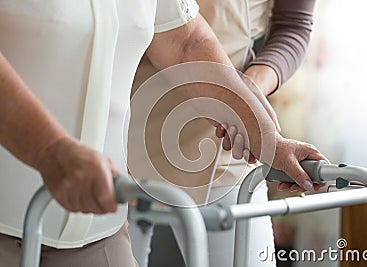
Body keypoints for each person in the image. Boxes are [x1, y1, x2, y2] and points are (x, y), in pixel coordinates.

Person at [0, 1, 324, 267]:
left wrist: (267, 135)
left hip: (100, 225)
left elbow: (186, 43)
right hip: (11, 215)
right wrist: (50, 150)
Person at [127, 0, 325, 266]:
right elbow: (182, 40)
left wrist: (245, 94)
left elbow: (293, 27)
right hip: (124, 128)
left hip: (226, 139)